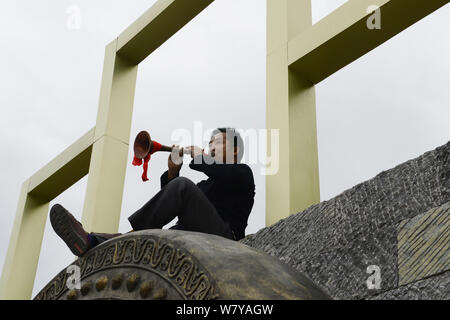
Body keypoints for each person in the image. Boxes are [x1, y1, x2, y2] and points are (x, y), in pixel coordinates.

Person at [50, 127, 255, 257]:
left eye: (217, 142)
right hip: (189, 234)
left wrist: (200, 159)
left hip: (226, 239)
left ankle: (122, 235)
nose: (210, 147)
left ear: (235, 150)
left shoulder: (243, 173)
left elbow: (213, 177)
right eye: (209, 143)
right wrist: (172, 172)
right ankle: (90, 240)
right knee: (147, 237)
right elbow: (169, 204)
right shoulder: (204, 185)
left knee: (182, 186)